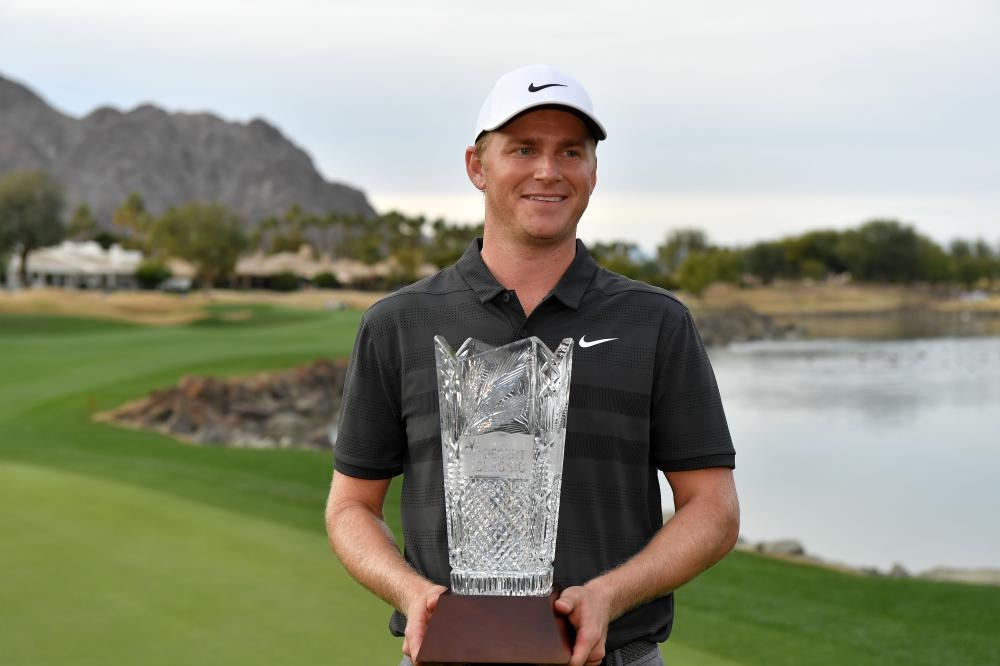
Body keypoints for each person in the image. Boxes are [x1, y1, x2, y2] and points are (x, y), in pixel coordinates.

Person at [326, 64, 739, 666]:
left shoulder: (655, 322)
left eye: (570, 152)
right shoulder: (398, 323)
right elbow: (350, 507)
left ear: (592, 174)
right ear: (477, 166)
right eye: (524, 148)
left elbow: (714, 508)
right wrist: (411, 594)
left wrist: (609, 595)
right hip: (449, 656)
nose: (548, 171)